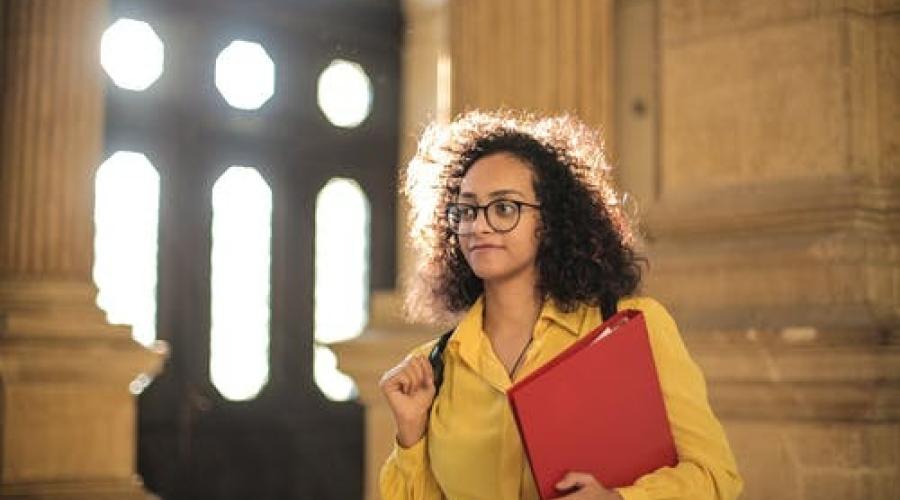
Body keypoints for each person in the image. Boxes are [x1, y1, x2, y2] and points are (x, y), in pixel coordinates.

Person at [379, 111, 743, 500]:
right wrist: (411, 433)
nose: (478, 226)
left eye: (504, 208)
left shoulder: (630, 326)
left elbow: (716, 477)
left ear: (549, 221)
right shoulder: (435, 368)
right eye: (466, 211)